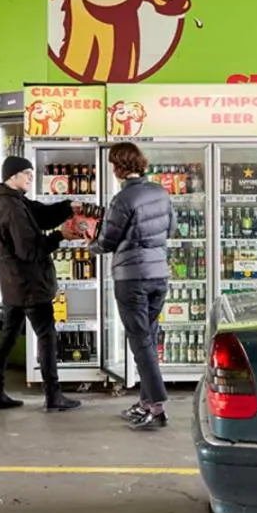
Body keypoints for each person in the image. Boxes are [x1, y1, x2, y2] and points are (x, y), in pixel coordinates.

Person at [89, 143, 175, 429]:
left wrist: (92, 243)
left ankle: (157, 405)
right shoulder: (161, 193)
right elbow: (170, 229)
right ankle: (146, 403)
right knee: (148, 339)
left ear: (118, 168)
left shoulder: (123, 199)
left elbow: (108, 241)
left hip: (132, 277)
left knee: (140, 341)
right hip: (159, 274)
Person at [0, 156, 82, 412]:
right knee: (46, 336)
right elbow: (29, 250)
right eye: (27, 173)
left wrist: (68, 207)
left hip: (14, 284)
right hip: (29, 285)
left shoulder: (12, 201)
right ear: (12, 176)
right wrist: (59, 236)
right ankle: (53, 396)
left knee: (7, 337)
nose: (30, 177)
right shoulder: (12, 208)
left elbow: (40, 214)